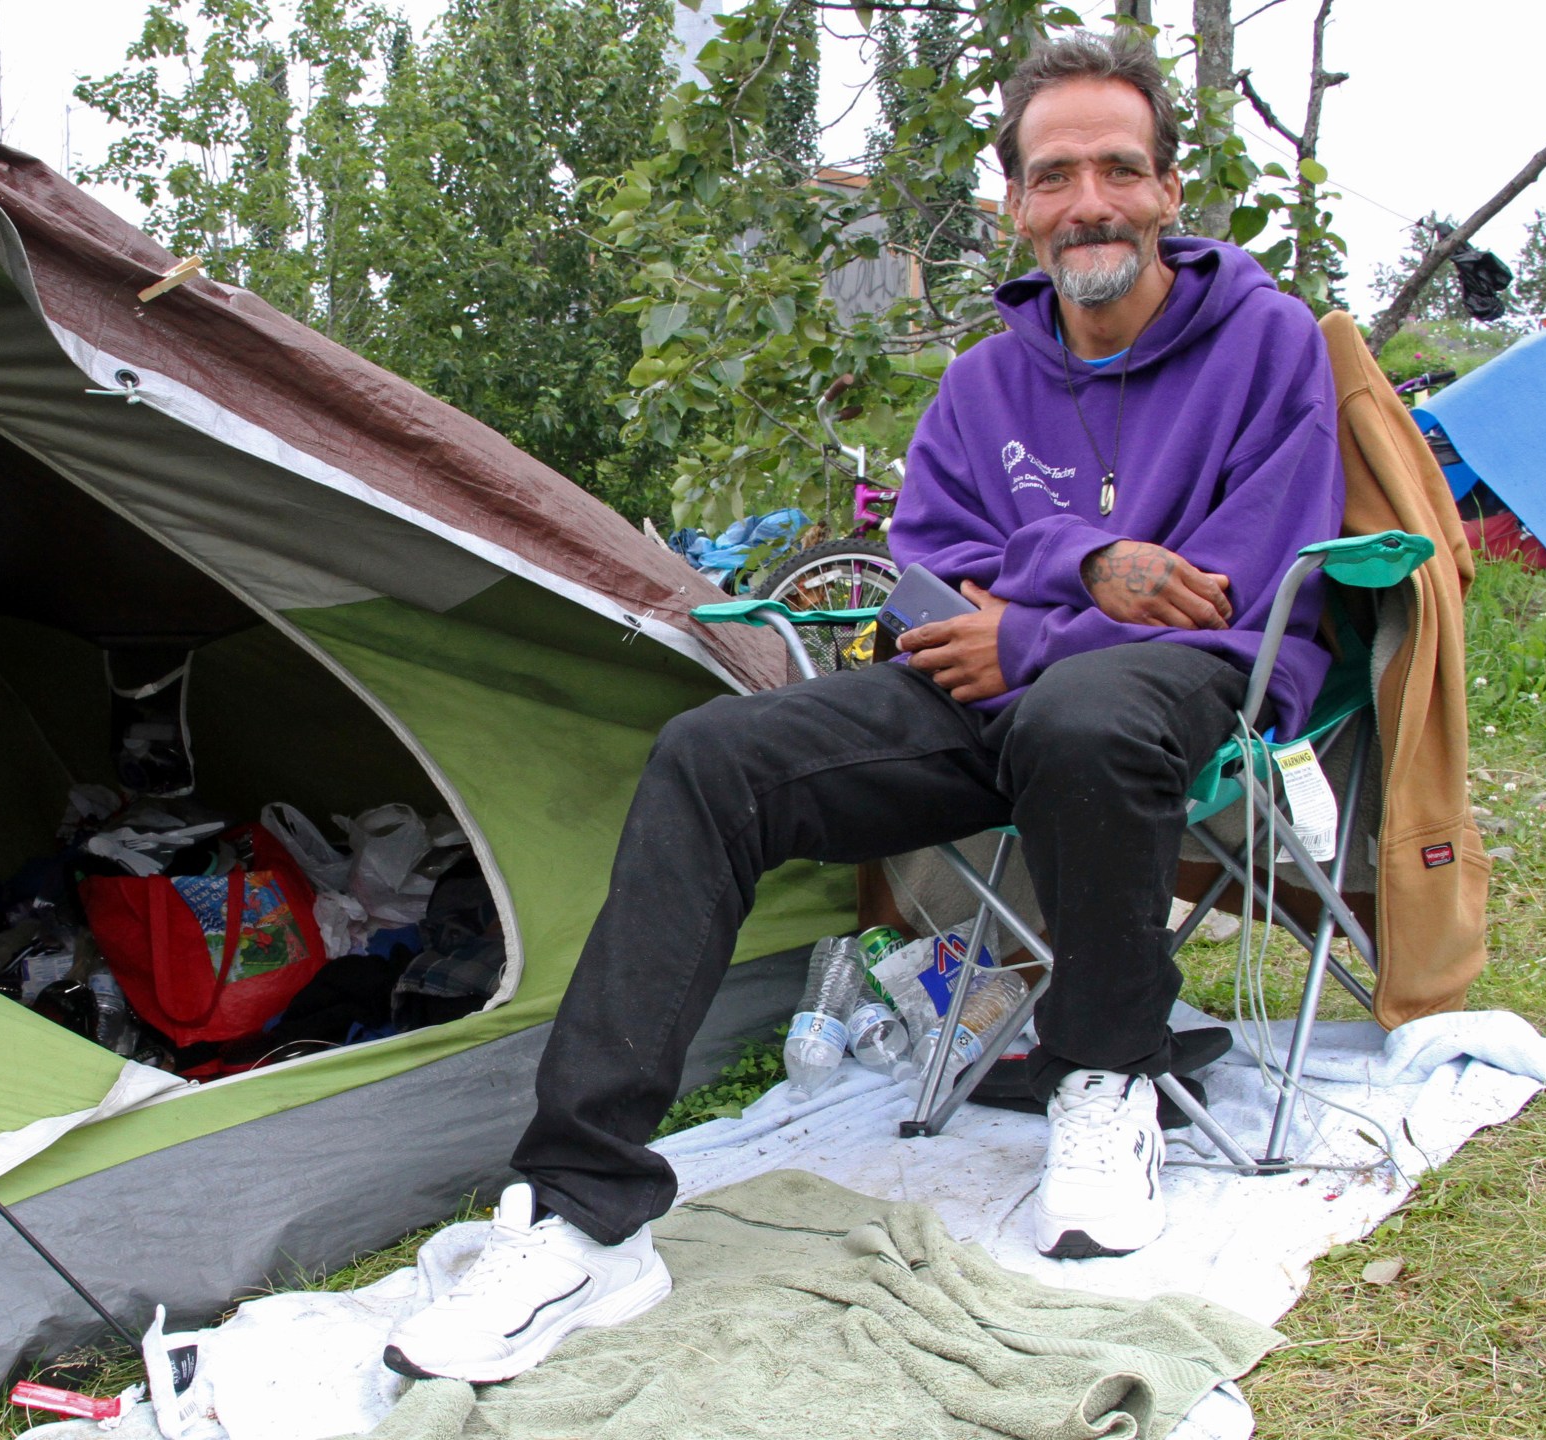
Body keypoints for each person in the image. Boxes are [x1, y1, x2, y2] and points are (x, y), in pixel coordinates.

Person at [382, 31, 1345, 1384]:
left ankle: (1104, 1076)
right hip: (989, 688)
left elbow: (1226, 594)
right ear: (1015, 202)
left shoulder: (1268, 344)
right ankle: (581, 1208)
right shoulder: (984, 382)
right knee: (710, 755)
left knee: (1088, 712)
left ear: (1170, 190)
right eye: (1055, 173)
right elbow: (919, 578)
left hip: (1183, 693)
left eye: (1119, 169)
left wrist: (1035, 629)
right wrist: (1075, 574)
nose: (1089, 202)